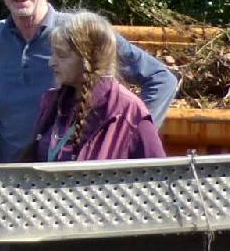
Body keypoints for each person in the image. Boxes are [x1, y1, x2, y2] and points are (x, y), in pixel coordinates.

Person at [0, 0, 177, 162]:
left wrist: (128, 131)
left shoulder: (81, 33)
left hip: (70, 181)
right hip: (10, 179)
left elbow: (161, 79)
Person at [24, 10, 166, 162]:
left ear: (88, 59)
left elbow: (158, 179)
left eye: (62, 55)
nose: (51, 62)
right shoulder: (52, 103)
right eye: (53, 54)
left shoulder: (129, 113)